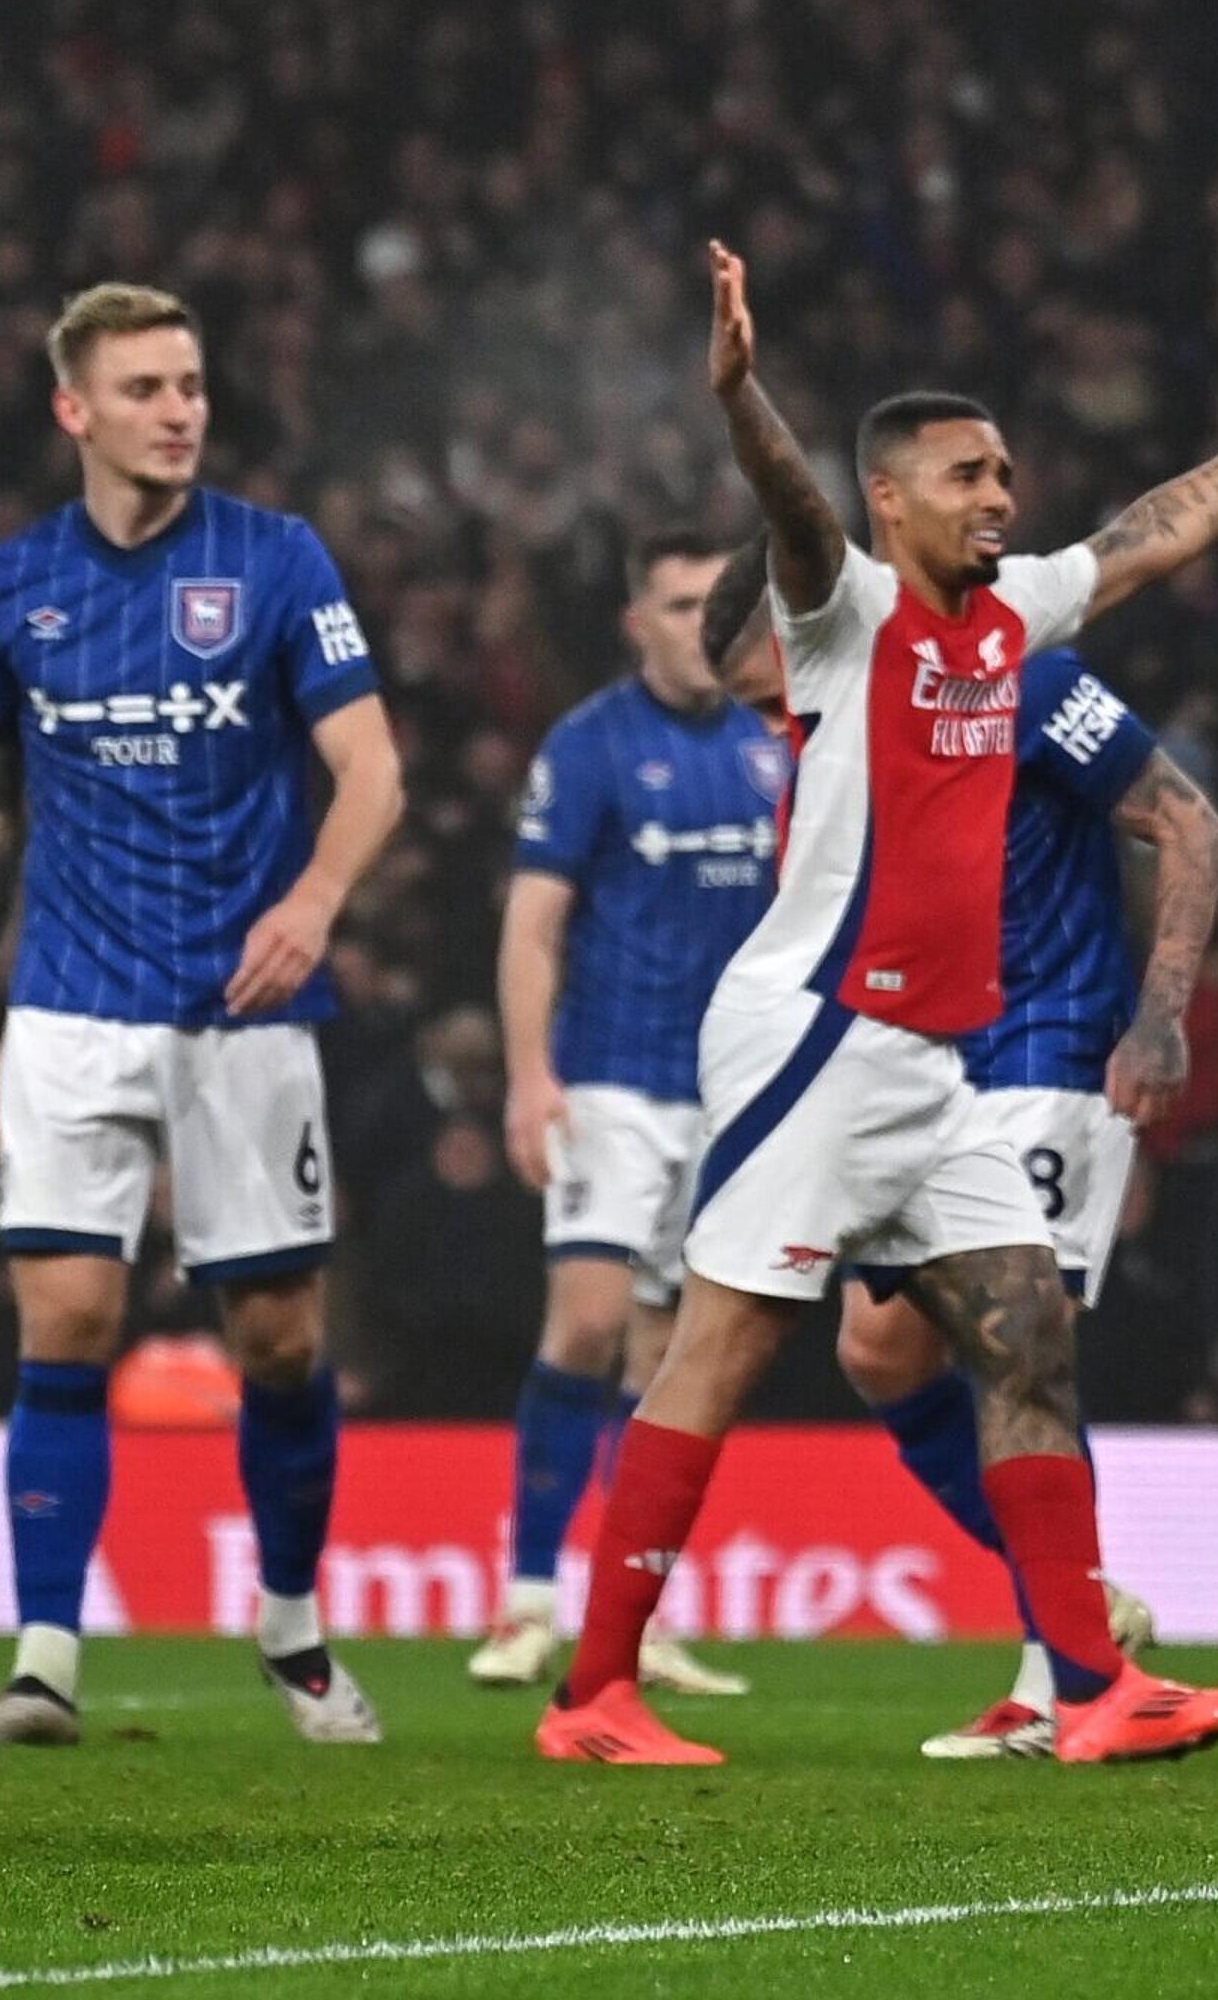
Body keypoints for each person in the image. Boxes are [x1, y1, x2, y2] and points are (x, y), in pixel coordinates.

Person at [535, 243, 1218, 1767]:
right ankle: (597, 1688)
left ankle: (1090, 1686)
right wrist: (744, 398)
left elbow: (1140, 538)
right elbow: (796, 509)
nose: (1002, 497)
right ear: (895, 501)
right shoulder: (844, 612)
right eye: (969, 476)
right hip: (816, 1028)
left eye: (1005, 472)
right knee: (721, 1352)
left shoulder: (1014, 623)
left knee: (1026, 1337)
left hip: (931, 1060)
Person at [0, 282, 407, 1747]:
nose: (180, 408)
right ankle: (44, 1664)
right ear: (76, 410)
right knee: (66, 1315)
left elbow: (372, 768)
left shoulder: (273, 560)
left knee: (274, 1336)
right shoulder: (15, 584)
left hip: (240, 1008)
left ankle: (292, 1628)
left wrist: (316, 899)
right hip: (71, 1004)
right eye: (144, 387)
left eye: (191, 382)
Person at [699, 540, 1218, 1756]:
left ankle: (1065, 1673)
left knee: (1014, 1349)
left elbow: (1192, 827)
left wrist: (1160, 1017)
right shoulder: (832, 757)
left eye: (776, 689)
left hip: (1048, 1042)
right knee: (879, 1350)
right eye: (757, 712)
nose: (781, 720)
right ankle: (1078, 1612)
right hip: (922, 1066)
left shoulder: (1017, 677)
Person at [465, 533, 778, 1698]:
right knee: (589, 1323)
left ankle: (635, 1619)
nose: (704, 622)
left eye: (718, 603)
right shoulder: (589, 744)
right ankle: (528, 1596)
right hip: (610, 1077)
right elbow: (532, 923)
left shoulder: (772, 742)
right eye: (680, 603)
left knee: (674, 1357)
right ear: (636, 621)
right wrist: (528, 1075)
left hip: (735, 1093)